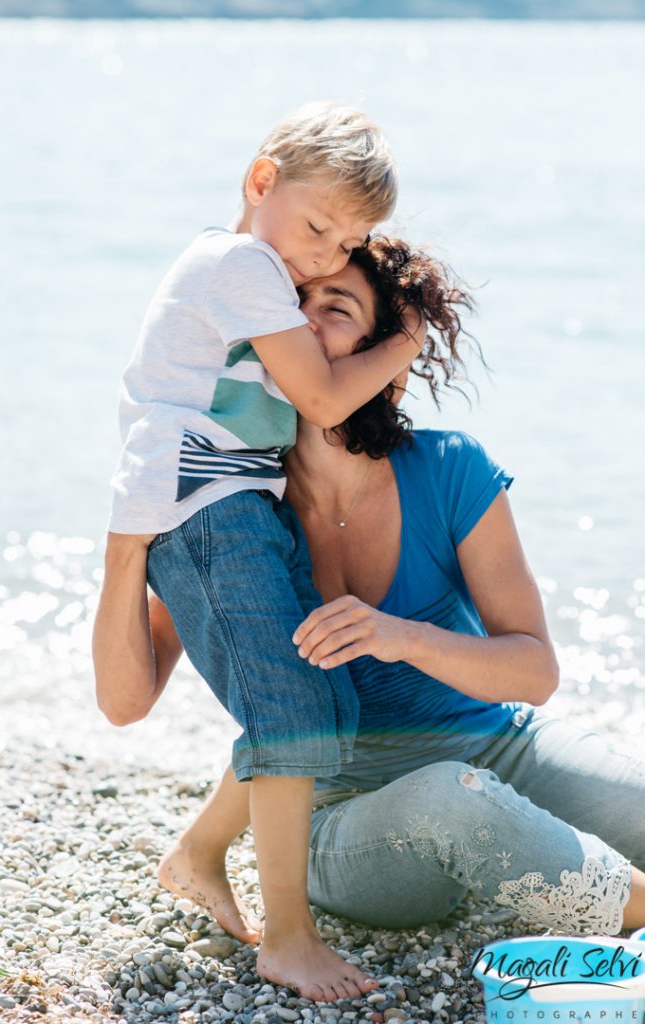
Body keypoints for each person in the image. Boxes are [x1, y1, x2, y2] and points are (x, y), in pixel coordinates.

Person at [100, 235, 645, 967]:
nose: (302, 320)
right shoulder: (227, 513)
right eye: (292, 304)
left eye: (336, 305)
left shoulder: (452, 469)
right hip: (342, 814)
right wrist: (123, 546)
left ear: (381, 349)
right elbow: (124, 702)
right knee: (453, 800)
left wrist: (402, 636)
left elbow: (534, 673)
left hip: (500, 746)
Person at [93, 103, 425, 1002]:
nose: (323, 256)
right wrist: (405, 341)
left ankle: (199, 854)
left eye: (346, 242)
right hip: (206, 508)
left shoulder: (264, 282)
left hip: (234, 506)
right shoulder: (237, 262)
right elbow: (319, 399)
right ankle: (288, 938)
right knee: (291, 712)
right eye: (317, 226)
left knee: (331, 698)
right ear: (260, 181)